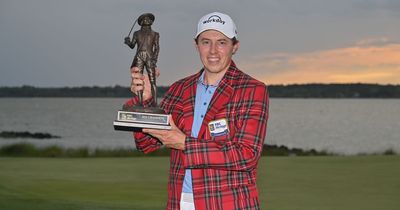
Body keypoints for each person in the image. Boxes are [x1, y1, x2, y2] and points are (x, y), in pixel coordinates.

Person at [125, 12, 269, 210]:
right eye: (206, 42)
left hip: (230, 203)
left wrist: (185, 143)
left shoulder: (253, 89)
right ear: (196, 46)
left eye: (222, 42)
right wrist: (147, 99)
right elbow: (146, 143)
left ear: (235, 47)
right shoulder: (180, 88)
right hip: (181, 202)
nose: (213, 51)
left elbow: (246, 155)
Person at [124, 13, 159, 106]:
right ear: (141, 22)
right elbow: (132, 45)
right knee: (138, 80)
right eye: (144, 19)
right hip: (139, 56)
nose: (147, 20)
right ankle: (140, 102)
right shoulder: (136, 33)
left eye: (149, 19)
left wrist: (154, 59)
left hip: (150, 57)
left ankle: (155, 103)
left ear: (151, 22)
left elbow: (157, 48)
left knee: (152, 80)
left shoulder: (155, 34)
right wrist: (128, 42)